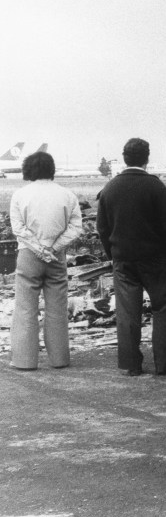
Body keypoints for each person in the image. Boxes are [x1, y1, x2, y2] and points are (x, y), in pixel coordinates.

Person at [96, 138, 166, 376]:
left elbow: (102, 228)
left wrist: (112, 254)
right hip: (154, 259)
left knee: (127, 312)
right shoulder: (156, 187)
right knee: (164, 307)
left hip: (123, 259)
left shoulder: (109, 188)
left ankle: (130, 364)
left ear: (124, 158)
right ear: (147, 158)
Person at [9, 151, 83, 370]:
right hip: (56, 257)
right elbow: (75, 228)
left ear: (27, 169)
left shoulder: (20, 195)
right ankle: (60, 359)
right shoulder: (67, 195)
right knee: (57, 309)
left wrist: (38, 248)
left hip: (29, 255)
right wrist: (52, 247)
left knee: (25, 308)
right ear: (52, 169)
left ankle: (24, 361)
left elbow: (18, 229)